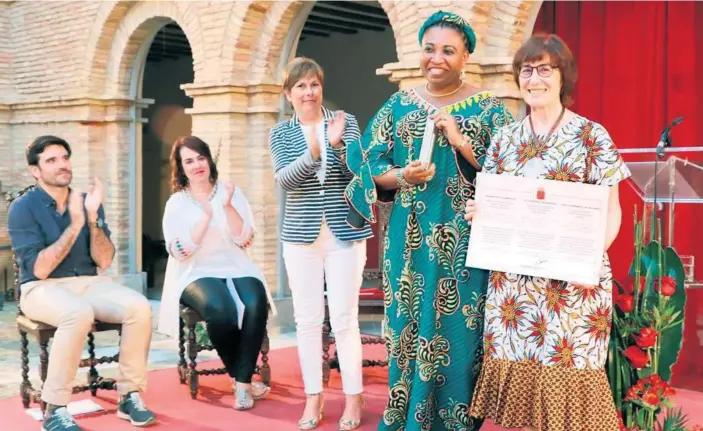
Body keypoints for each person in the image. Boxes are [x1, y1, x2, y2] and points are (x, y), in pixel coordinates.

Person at [344, 11, 513, 431]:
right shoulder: (398, 105)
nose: (436, 58)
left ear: (466, 55)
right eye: (429, 48)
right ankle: (406, 417)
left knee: (462, 334)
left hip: (467, 241)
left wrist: (461, 142)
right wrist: (403, 175)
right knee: (406, 328)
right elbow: (365, 165)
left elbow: (512, 174)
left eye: (448, 50)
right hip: (409, 241)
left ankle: (456, 423)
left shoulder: (490, 110)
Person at [465, 34, 631, 431]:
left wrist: (586, 261)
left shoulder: (592, 137)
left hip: (572, 285)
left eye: (544, 69)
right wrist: (480, 213)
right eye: (526, 69)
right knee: (521, 384)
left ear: (563, 77)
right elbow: (494, 204)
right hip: (515, 286)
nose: (534, 78)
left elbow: (613, 211)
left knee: (570, 376)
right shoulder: (506, 140)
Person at [7, 136, 156, 431]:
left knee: (139, 307)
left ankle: (130, 395)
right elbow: (40, 268)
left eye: (64, 157)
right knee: (77, 313)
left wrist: (91, 218)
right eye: (51, 160)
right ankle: (55, 409)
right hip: (41, 287)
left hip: (88, 281)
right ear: (35, 171)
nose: (62, 165)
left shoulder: (87, 202)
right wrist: (74, 225)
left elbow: (104, 261)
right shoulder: (23, 208)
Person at [267, 57, 373, 430]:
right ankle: (314, 396)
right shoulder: (280, 134)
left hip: (345, 234)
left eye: (314, 84)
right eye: (300, 86)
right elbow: (286, 181)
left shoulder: (346, 121)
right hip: (300, 238)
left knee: (344, 320)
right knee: (308, 321)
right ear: (288, 94)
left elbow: (359, 171)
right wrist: (315, 150)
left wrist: (339, 143)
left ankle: (353, 397)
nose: (309, 92)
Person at [158, 136, 276, 410]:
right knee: (219, 309)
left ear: (209, 159)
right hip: (196, 271)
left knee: (255, 302)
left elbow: (245, 239)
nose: (197, 165)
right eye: (189, 161)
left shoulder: (231, 192)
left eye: (200, 157)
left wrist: (226, 206)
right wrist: (206, 217)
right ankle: (243, 379)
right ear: (181, 168)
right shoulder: (177, 202)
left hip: (237, 265)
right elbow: (179, 251)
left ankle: (242, 383)